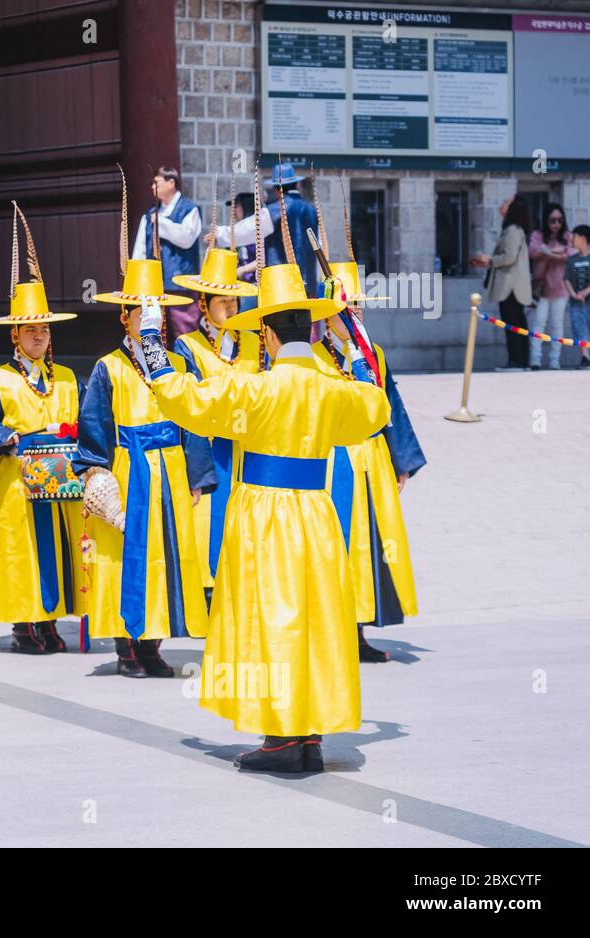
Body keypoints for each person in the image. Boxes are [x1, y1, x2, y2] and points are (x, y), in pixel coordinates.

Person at [139, 239, 391, 773]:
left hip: (264, 515)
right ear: (311, 331)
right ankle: (310, 734)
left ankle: (280, 739)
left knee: (272, 618)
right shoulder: (332, 389)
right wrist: (354, 348)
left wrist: (153, 350)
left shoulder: (255, 389)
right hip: (317, 514)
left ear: (270, 334)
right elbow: (375, 407)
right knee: (315, 619)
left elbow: (190, 400)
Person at [74, 246, 215, 678]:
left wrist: (197, 475)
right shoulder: (108, 368)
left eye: (156, 310)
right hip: (130, 469)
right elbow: (94, 428)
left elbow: (191, 419)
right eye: (141, 311)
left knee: (167, 557)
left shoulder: (176, 363)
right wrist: (97, 477)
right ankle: (126, 649)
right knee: (128, 557)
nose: (150, 318)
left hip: (170, 470)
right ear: (126, 317)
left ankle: (153, 646)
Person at [0, 204, 83, 655]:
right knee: (23, 550)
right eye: (29, 329)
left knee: (57, 546)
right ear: (14, 335)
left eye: (44, 329)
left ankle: (50, 620)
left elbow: (88, 422)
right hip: (17, 478)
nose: (38, 335)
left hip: (61, 480)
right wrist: (5, 437)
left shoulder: (68, 378)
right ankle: (24, 623)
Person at [313, 260, 426, 663]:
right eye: (347, 308)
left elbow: (389, 403)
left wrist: (402, 461)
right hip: (333, 462)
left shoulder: (372, 353)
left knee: (369, 546)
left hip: (372, 459)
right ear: (328, 316)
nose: (355, 314)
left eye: (358, 307)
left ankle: (358, 629)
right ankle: (331, 630)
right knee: (336, 543)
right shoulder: (311, 359)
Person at [170, 226, 263, 600]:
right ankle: (208, 598)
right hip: (209, 450)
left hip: (250, 448)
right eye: (222, 302)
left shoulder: (256, 342)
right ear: (203, 302)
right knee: (210, 525)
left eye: (234, 302)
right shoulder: (187, 346)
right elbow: (187, 405)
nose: (230, 308)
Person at [131, 165, 202, 337]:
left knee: (185, 333)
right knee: (157, 332)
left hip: (181, 283)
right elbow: (140, 250)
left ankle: (188, 363)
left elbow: (186, 238)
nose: (152, 187)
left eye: (156, 183)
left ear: (171, 182)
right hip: (153, 285)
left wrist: (161, 223)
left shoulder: (189, 209)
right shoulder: (149, 215)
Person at [478, 197, 532, 371]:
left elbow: (509, 257)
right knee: (518, 324)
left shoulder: (512, 231)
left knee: (512, 324)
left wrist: (489, 259)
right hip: (514, 286)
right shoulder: (515, 230)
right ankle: (522, 361)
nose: (502, 204)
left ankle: (517, 361)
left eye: (506, 202)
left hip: (510, 286)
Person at [261, 162, 319, 297]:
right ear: (296, 185)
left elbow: (249, 230)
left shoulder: (273, 210)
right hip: (308, 284)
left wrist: (221, 234)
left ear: (276, 190)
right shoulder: (312, 209)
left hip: (281, 283)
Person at [527, 203, 571, 371]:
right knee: (538, 322)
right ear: (546, 220)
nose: (556, 224)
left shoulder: (567, 236)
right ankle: (535, 359)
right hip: (542, 287)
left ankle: (554, 360)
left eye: (560, 220)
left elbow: (570, 253)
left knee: (557, 324)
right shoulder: (538, 235)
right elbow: (532, 251)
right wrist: (555, 252)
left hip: (560, 288)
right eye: (552, 220)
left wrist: (547, 252)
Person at [563, 224, 590, 369]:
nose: (572, 240)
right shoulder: (571, 260)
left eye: (574, 237)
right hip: (576, 304)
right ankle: (585, 357)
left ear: (583, 238)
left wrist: (586, 292)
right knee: (580, 329)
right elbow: (566, 278)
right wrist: (573, 294)